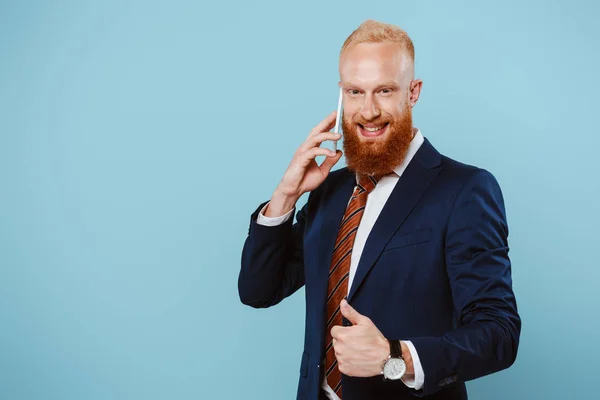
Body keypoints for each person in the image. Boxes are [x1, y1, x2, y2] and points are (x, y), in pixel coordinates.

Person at [238, 20, 520, 400]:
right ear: (341, 94)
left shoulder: (465, 190)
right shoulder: (329, 191)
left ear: (413, 92)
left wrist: (395, 356)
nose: (368, 111)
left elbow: (498, 333)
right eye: (355, 92)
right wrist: (286, 194)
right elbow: (259, 290)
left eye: (384, 90)